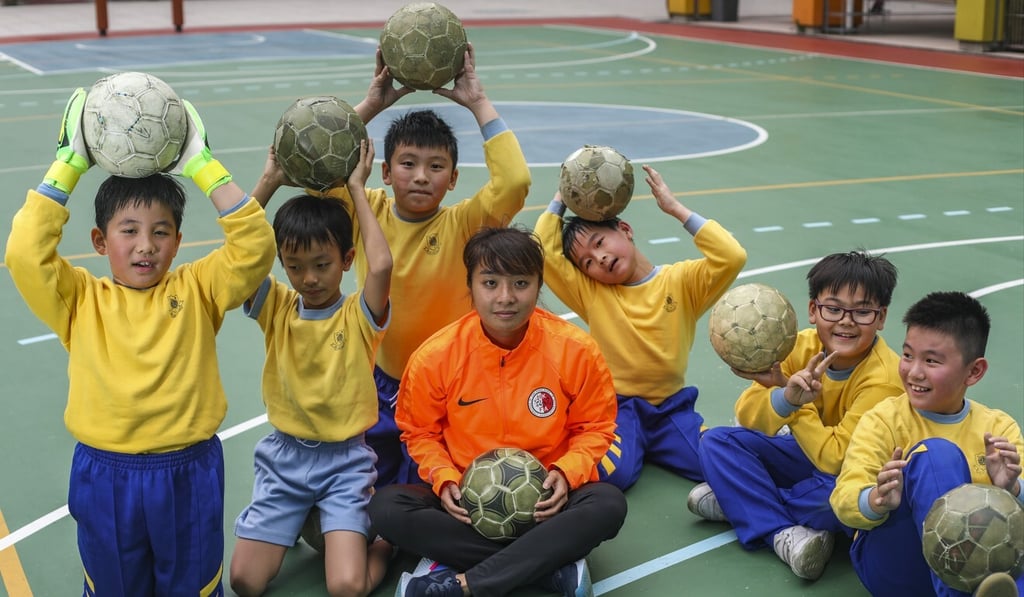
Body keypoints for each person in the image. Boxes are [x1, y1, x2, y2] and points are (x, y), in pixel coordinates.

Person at [4, 89, 276, 595]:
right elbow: (24, 253)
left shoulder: (198, 288)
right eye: (128, 230)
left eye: (161, 231)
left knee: (191, 586)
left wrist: (201, 161)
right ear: (100, 242)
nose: (146, 245)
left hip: (188, 472)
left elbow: (256, 246)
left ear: (178, 240)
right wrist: (70, 160)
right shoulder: (80, 300)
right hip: (106, 476)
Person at [255, 45, 531, 488]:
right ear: (384, 171)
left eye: (436, 166)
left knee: (445, 484)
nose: (421, 175)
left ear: (454, 179)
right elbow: (323, 163)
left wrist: (478, 102)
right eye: (408, 163)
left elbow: (515, 181)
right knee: (375, 493)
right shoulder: (366, 209)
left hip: (450, 385)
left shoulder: (464, 223)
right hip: (381, 384)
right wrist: (371, 106)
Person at [368, 227, 627, 597]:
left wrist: (567, 474)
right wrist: (444, 479)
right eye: (490, 283)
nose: (505, 298)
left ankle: (465, 582)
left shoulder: (576, 350)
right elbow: (419, 432)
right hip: (467, 511)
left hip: (547, 509)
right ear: (471, 286)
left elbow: (596, 427)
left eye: (520, 283)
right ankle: (549, 569)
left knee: (607, 504)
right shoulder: (435, 356)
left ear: (539, 286)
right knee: (387, 507)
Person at [228, 140, 394, 596]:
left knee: (347, 588)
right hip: (284, 460)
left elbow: (380, 265)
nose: (310, 278)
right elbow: (235, 252)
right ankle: (304, 516)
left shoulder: (358, 316)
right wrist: (269, 181)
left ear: (345, 260)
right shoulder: (277, 307)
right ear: (282, 264)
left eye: (322, 264)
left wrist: (357, 188)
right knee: (243, 582)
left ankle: (384, 544)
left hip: (344, 465)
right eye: (295, 266)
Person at [690, 250, 901, 581]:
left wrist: (798, 407)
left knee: (830, 504)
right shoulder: (797, 346)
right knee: (715, 442)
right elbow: (747, 417)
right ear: (813, 310)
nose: (846, 321)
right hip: (804, 454)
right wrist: (786, 398)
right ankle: (781, 529)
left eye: (862, 312)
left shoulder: (885, 379)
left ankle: (743, 503)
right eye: (833, 308)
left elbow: (834, 459)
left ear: (882, 317)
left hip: (850, 473)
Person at [533, 165, 747, 491]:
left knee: (717, 462)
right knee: (613, 475)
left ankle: (737, 444)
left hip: (670, 409)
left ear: (626, 229)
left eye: (600, 242)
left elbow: (732, 256)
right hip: (617, 408)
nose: (600, 258)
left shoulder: (682, 282)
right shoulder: (593, 293)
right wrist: (564, 194)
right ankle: (619, 443)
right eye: (587, 262)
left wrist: (675, 209)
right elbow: (545, 251)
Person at [831, 291, 1024, 597]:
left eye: (931, 360)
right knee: (935, 455)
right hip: (898, 562)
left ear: (974, 371)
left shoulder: (998, 429)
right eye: (908, 355)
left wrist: (1012, 489)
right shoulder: (884, 420)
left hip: (986, 570)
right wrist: (877, 499)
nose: (914, 371)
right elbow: (843, 499)